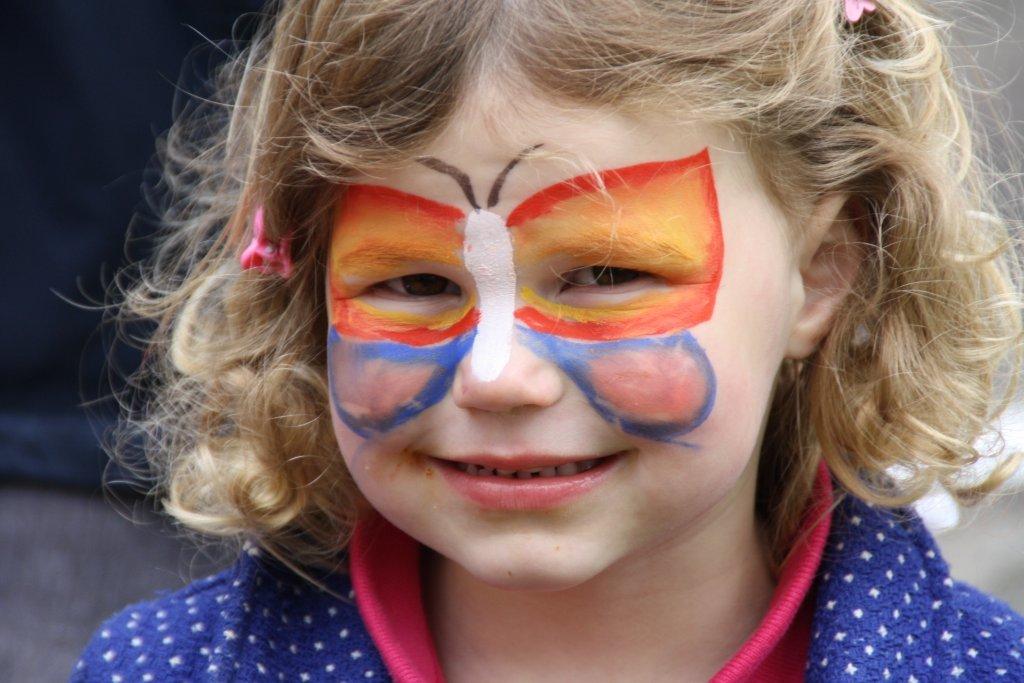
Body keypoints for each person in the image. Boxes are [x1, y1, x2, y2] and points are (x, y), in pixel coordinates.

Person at [70, 0, 1024, 680]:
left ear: (821, 273)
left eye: (605, 274)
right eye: (414, 282)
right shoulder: (166, 669)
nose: (498, 376)